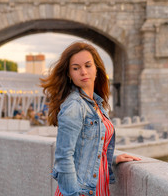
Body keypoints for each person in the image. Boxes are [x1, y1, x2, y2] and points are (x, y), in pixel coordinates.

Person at [41, 42, 141, 196]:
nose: (83, 72)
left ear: (96, 69)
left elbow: (88, 148)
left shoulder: (97, 104)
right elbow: (63, 157)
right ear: (69, 74)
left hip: (98, 190)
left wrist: (112, 158)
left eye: (88, 65)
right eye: (76, 68)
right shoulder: (75, 106)